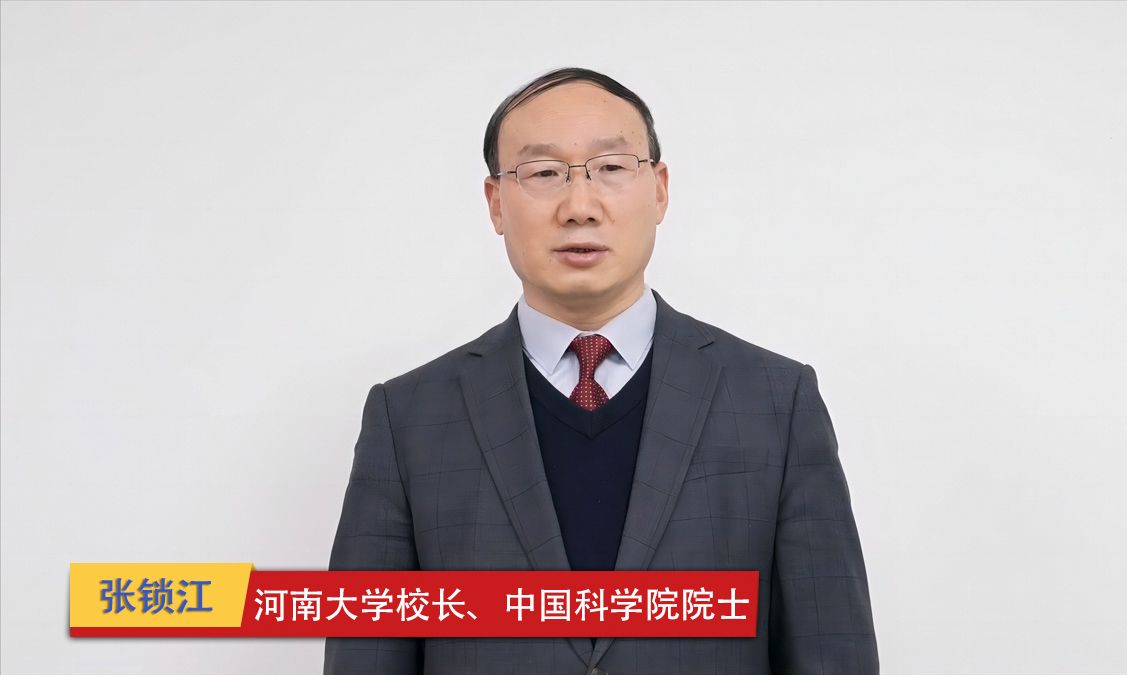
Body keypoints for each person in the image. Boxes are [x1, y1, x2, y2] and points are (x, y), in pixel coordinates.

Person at [324, 67, 878, 675]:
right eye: (543, 173)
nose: (579, 207)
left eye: (611, 167)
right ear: (496, 203)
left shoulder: (775, 402)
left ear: (659, 190)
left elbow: (833, 650)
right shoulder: (408, 419)